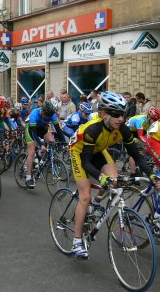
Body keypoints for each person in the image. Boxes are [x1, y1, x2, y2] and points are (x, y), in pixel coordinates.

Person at [68, 91, 160, 259]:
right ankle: (76, 241)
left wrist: (152, 176)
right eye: (116, 114)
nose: (120, 118)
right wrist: (101, 177)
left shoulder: (122, 129)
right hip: (80, 153)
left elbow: (137, 156)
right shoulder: (92, 129)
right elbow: (86, 162)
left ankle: (97, 203)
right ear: (103, 114)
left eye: (122, 115)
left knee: (115, 181)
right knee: (85, 196)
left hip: (99, 149)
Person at [24, 100, 65, 188]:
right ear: (42, 111)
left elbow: (58, 129)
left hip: (41, 127)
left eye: (48, 116)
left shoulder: (52, 114)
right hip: (31, 129)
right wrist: (40, 145)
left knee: (52, 141)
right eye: (46, 115)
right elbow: (34, 134)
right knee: (31, 151)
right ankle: (28, 178)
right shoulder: (34, 114)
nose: (47, 117)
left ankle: (41, 155)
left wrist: (64, 142)